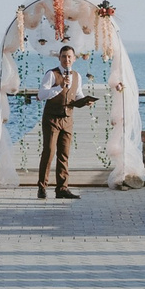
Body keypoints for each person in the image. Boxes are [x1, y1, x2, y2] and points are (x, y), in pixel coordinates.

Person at [37, 46, 88, 200]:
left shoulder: (77, 76)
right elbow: (41, 94)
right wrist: (59, 87)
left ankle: (62, 189)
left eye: (69, 57)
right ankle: (42, 187)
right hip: (52, 119)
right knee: (49, 152)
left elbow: (77, 94)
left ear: (74, 59)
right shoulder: (51, 74)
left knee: (64, 155)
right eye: (64, 56)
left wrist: (85, 101)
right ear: (59, 58)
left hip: (67, 119)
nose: (67, 60)